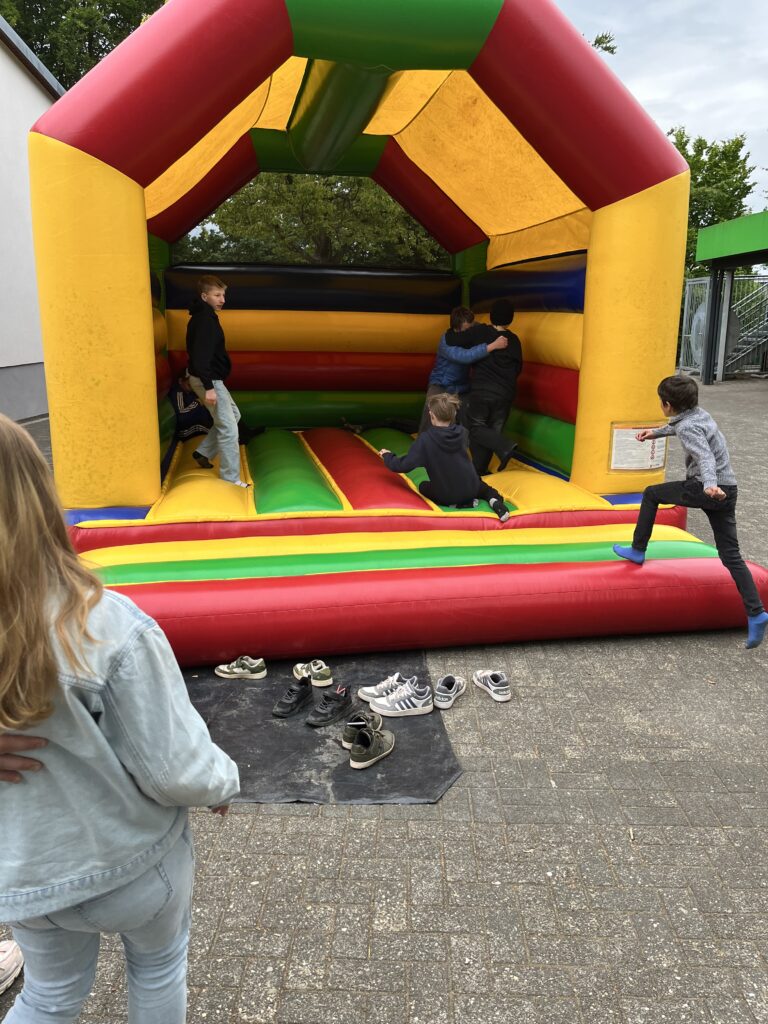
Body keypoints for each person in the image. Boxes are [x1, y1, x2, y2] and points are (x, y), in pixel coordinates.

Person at [0, 413, 240, 1023]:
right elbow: (173, 767)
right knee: (158, 968)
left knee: (48, 996)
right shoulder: (105, 625)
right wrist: (219, 783)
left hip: (25, 877)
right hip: (131, 866)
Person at [613, 374, 768, 650]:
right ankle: (756, 614)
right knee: (731, 556)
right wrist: (655, 433)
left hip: (706, 487)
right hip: (728, 490)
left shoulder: (686, 427)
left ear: (667, 405)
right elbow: (683, 426)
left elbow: (704, 456)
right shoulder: (698, 415)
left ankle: (638, 549)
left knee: (651, 494)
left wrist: (709, 485)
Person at [379, 392, 510, 522]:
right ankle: (494, 501)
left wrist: (387, 455)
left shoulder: (426, 440)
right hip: (470, 489)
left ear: (431, 415)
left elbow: (403, 465)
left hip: (447, 495)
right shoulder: (462, 433)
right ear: (454, 415)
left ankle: (456, 504)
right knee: (484, 488)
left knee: (423, 486)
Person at [443, 298, 522, 474]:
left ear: (491, 316)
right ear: (511, 319)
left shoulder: (481, 332)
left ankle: (505, 446)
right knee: (492, 431)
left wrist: (453, 327)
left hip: (483, 391)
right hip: (506, 394)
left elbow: (451, 339)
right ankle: (480, 470)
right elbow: (518, 368)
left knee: (476, 428)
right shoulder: (515, 340)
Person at [186, 275, 249, 487]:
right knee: (229, 429)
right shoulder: (204, 320)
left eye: (223, 295)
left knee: (234, 416)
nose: (222, 299)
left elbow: (196, 351)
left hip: (210, 378)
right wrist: (209, 388)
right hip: (210, 380)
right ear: (205, 296)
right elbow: (200, 356)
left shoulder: (205, 316)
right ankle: (230, 478)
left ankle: (203, 452)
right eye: (217, 295)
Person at [418, 307, 508, 433]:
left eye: (471, 327)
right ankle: (424, 442)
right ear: (457, 328)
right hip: (442, 385)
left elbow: (484, 330)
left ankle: (465, 443)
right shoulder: (446, 341)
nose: (469, 332)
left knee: (469, 416)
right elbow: (465, 356)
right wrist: (492, 346)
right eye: (466, 329)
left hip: (462, 387)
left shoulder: (472, 328)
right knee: (433, 412)